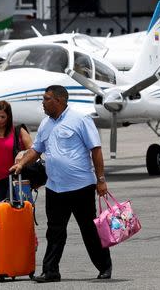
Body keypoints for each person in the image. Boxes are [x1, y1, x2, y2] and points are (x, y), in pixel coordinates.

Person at [11, 85, 112, 282]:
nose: (43, 102)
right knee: (54, 231)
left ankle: (104, 266)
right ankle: (51, 271)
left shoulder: (80, 119)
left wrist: (101, 180)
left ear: (59, 100)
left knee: (89, 229)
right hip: (55, 187)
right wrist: (21, 163)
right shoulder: (45, 124)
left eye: (46, 98)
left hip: (81, 186)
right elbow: (36, 150)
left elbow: (96, 150)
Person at [0, 100, 32, 201]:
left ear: (8, 117)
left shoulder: (19, 132)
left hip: (15, 181)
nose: (0, 120)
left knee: (15, 214)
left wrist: (22, 153)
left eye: (3, 117)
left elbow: (33, 151)